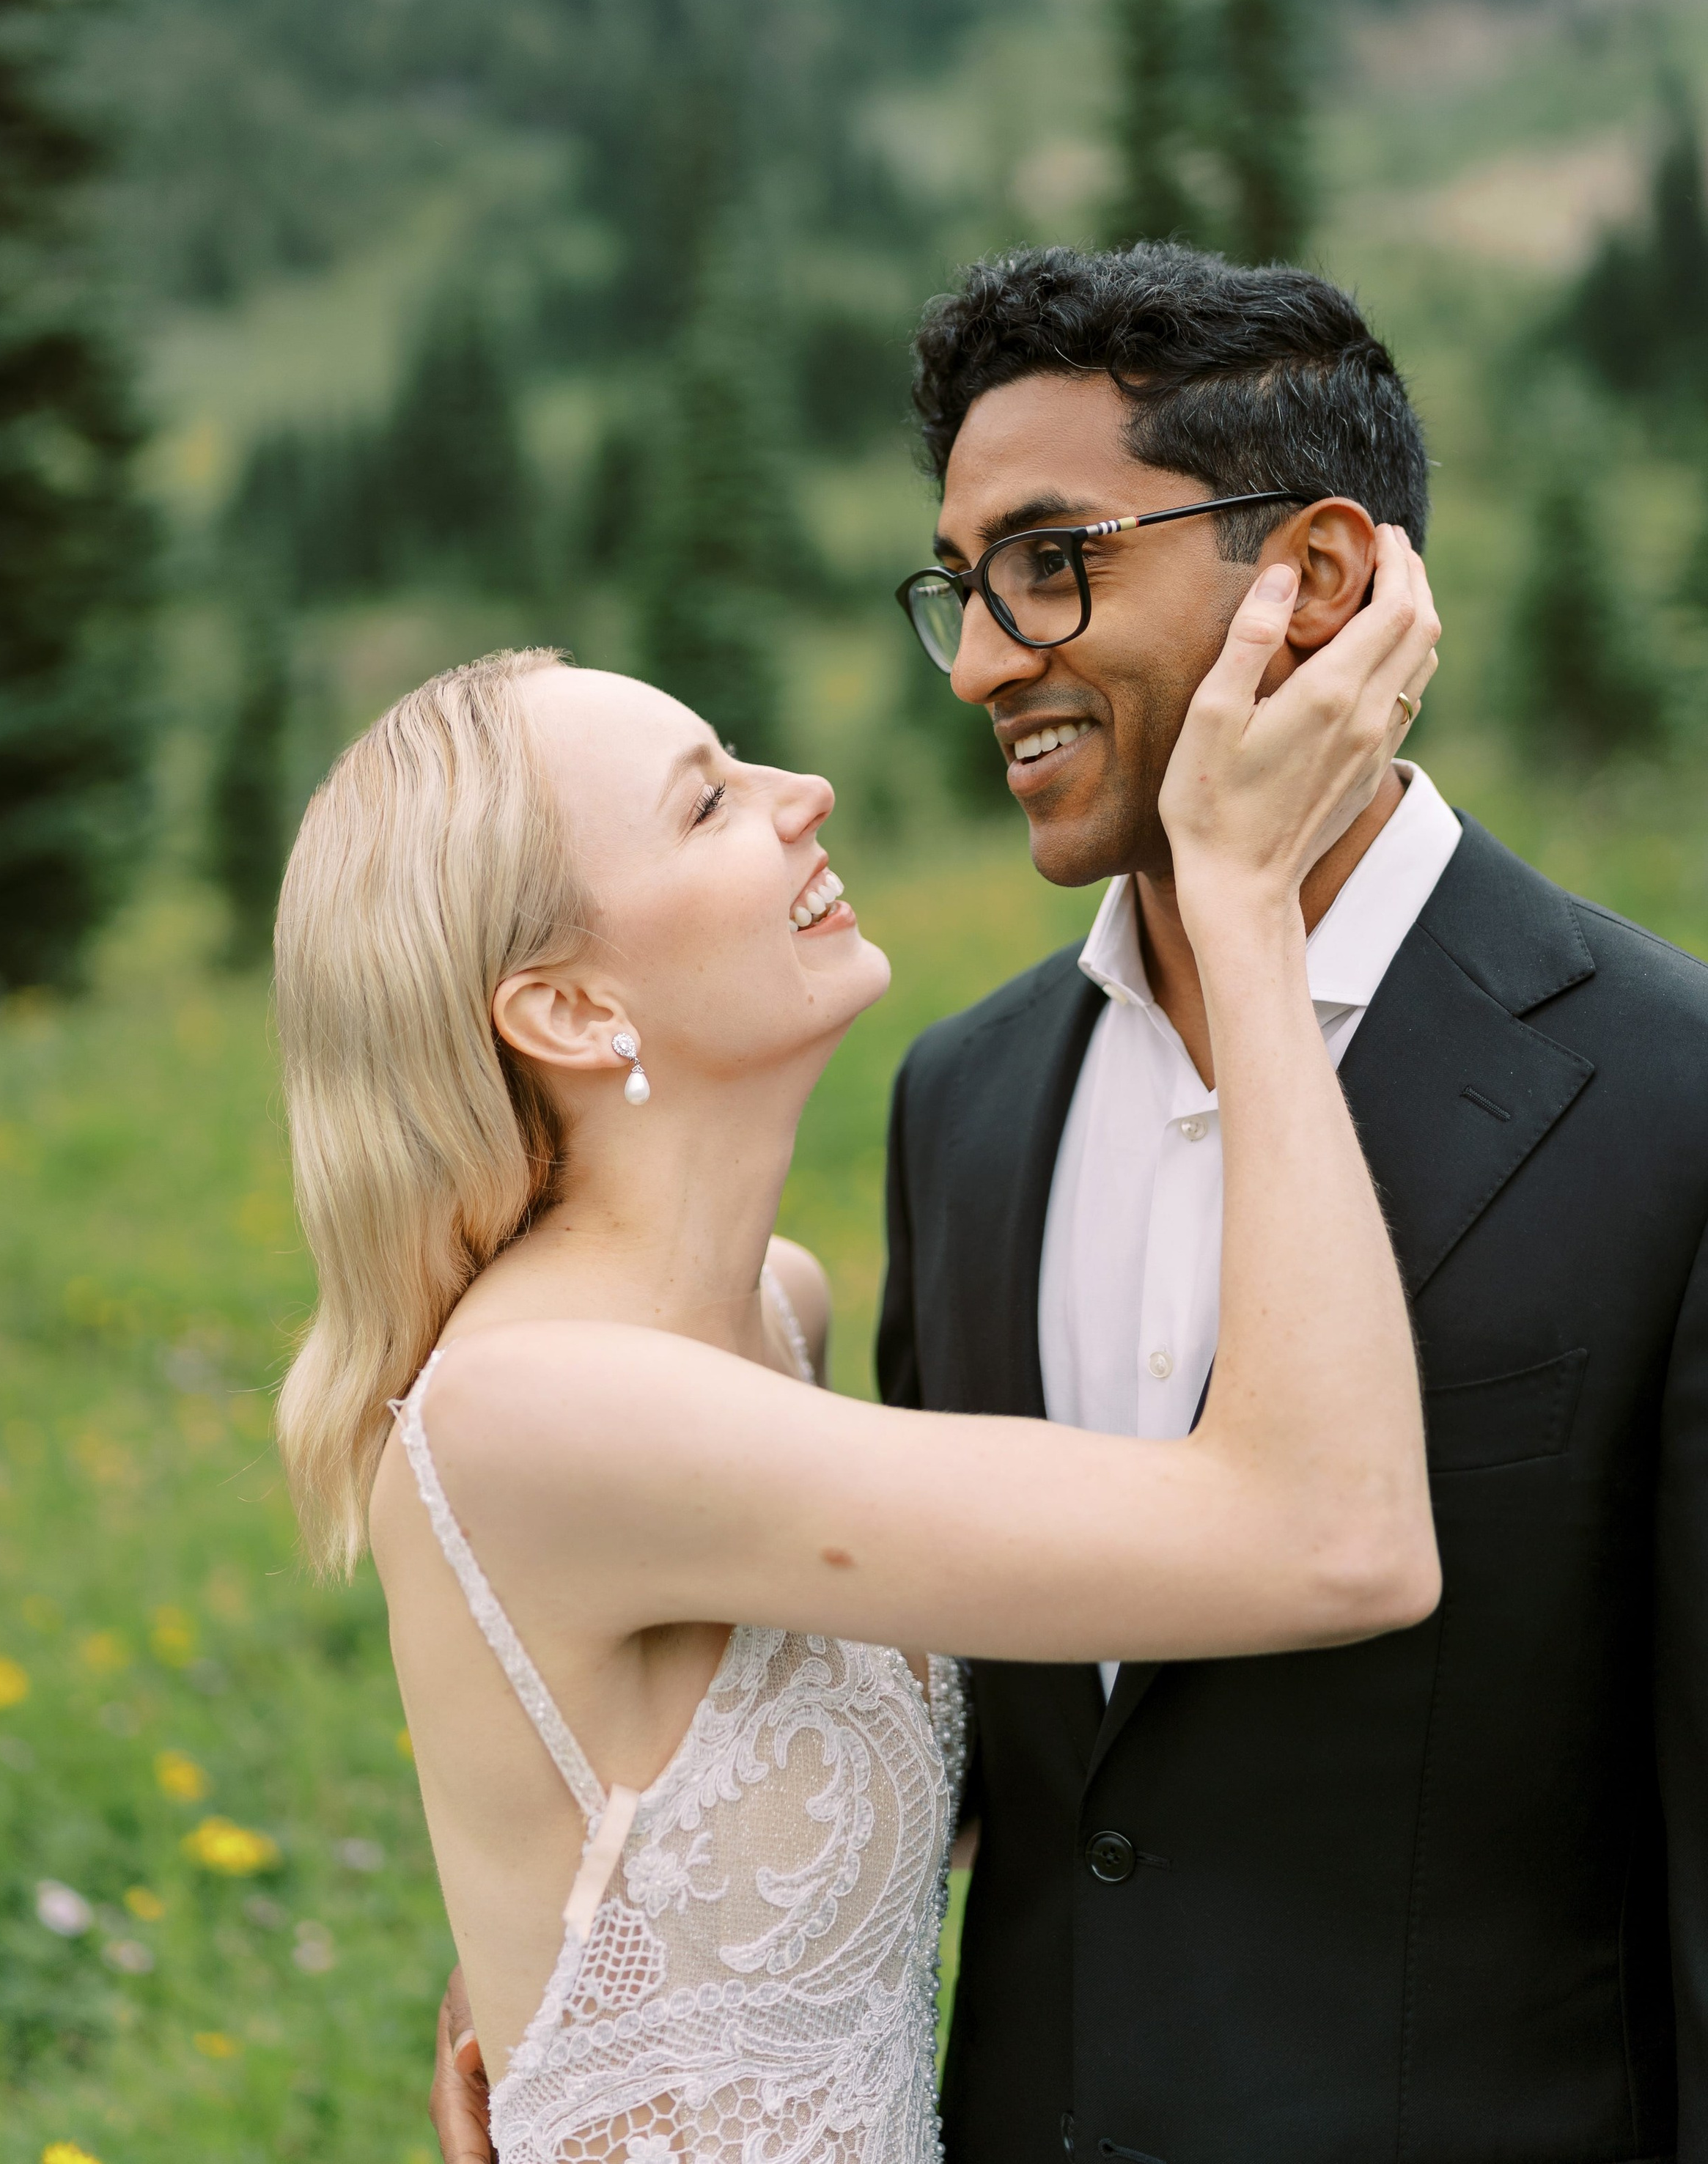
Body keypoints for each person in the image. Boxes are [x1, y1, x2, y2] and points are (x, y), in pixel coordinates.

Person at [273, 535, 1440, 2164]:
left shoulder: (775, 1315)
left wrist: (551, 1989)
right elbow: (1335, 1537)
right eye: (705, 801)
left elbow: (773, 1826)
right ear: (565, 1012)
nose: (804, 787)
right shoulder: (542, 1412)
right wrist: (1241, 897)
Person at [880, 241, 1708, 2164]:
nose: (990, 656)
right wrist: (589, 1966)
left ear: (1315, 579)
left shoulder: (1676, 1102)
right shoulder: (964, 1101)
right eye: (964, 585)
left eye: (1051, 559)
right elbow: (949, 1726)